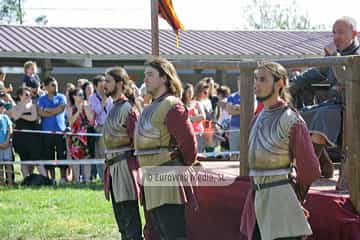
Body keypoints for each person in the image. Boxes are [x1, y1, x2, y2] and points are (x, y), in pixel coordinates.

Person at [240, 62, 321, 240]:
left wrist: (295, 194)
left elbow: (310, 169)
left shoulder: (291, 120)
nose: (257, 84)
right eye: (256, 79)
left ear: (279, 84)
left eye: (263, 79)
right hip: (255, 201)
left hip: (281, 202)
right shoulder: (257, 118)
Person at [134, 57, 197, 240]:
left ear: (164, 78)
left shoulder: (172, 105)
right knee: (161, 234)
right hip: (151, 177)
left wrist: (184, 165)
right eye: (145, 75)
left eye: (150, 75)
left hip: (167, 177)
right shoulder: (150, 107)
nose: (145, 79)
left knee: (173, 233)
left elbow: (188, 143)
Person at [290, 16, 359, 180]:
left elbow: (346, 81)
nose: (336, 37)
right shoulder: (335, 55)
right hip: (334, 101)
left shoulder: (357, 55)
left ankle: (306, 172)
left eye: (341, 32)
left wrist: (334, 57)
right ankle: (325, 166)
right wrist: (291, 87)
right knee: (298, 115)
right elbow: (315, 73)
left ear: (354, 33)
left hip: (352, 107)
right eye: (334, 32)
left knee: (324, 115)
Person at [102, 67, 142, 240]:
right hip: (113, 168)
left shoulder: (127, 108)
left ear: (119, 84)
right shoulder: (114, 107)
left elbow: (138, 141)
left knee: (130, 220)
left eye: (109, 81)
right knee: (121, 221)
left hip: (125, 168)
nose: (105, 84)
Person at [38, 76, 67, 184]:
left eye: (56, 84)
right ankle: (52, 178)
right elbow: (40, 113)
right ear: (46, 87)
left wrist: (47, 110)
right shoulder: (41, 99)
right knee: (49, 155)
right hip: (47, 131)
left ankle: (63, 178)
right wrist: (53, 110)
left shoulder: (61, 97)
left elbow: (61, 110)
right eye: (53, 85)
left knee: (62, 155)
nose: (56, 87)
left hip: (61, 131)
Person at [11, 87, 46, 178]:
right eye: (26, 94)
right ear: (20, 96)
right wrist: (23, 105)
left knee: (37, 158)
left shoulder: (32, 106)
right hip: (20, 137)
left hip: (33, 137)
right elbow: (15, 117)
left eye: (29, 95)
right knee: (24, 160)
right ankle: (26, 180)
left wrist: (21, 116)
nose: (28, 96)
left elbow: (33, 118)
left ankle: (45, 179)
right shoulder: (15, 107)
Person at [67, 88, 94, 183]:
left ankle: (87, 179)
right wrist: (78, 111)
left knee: (87, 158)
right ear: (74, 96)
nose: (82, 96)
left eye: (82, 94)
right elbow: (70, 122)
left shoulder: (86, 106)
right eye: (79, 94)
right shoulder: (70, 108)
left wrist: (85, 109)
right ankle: (77, 179)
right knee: (76, 158)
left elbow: (91, 120)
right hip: (75, 136)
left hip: (86, 136)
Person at [89, 75, 113, 182]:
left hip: (111, 127)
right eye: (100, 86)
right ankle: (104, 178)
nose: (103, 87)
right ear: (95, 86)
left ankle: (111, 176)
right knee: (101, 153)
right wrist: (103, 100)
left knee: (110, 152)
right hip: (100, 127)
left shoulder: (110, 96)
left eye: (105, 84)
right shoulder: (92, 98)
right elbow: (97, 111)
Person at [182, 83, 206, 153]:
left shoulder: (197, 103)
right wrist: (195, 118)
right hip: (187, 133)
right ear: (184, 93)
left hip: (198, 132)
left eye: (191, 92)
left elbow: (203, 116)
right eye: (188, 92)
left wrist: (190, 118)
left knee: (199, 152)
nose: (190, 94)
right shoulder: (181, 104)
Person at [0, 100, 13, 186]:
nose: (4, 108)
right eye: (2, 106)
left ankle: (10, 183)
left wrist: (7, 141)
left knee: (8, 164)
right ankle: (1, 182)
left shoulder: (5, 117)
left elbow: (10, 129)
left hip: (7, 145)